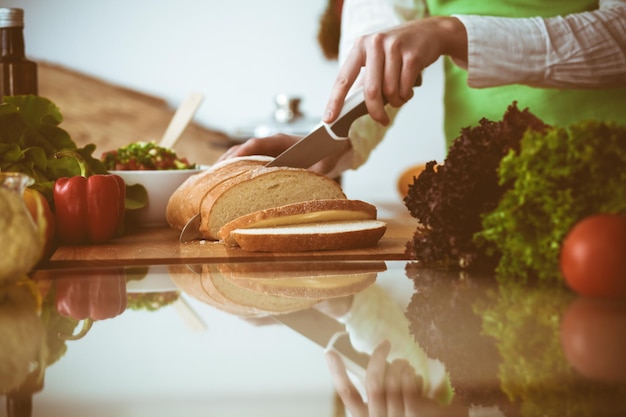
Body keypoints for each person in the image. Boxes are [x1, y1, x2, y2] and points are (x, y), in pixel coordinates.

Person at [218, 0, 626, 178]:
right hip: (484, 190)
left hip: (606, 175)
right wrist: (334, 144)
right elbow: (378, 45)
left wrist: (454, 32)